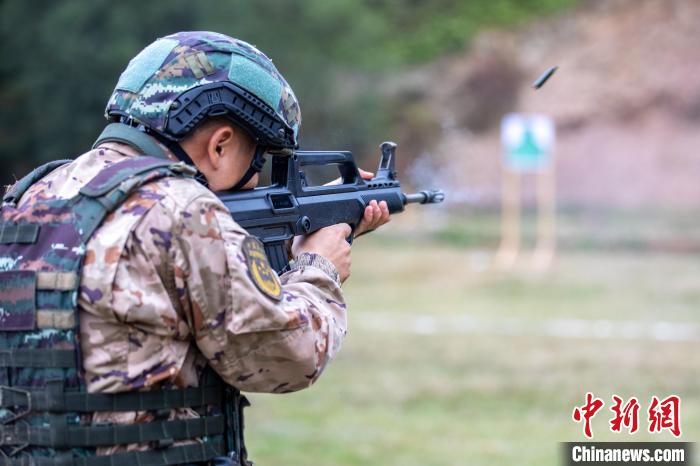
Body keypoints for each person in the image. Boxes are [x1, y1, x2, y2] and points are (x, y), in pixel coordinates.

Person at [0, 31, 389, 465]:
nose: (256, 179)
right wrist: (319, 267)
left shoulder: (27, 196)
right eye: (257, 159)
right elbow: (287, 357)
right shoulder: (184, 210)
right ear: (220, 144)